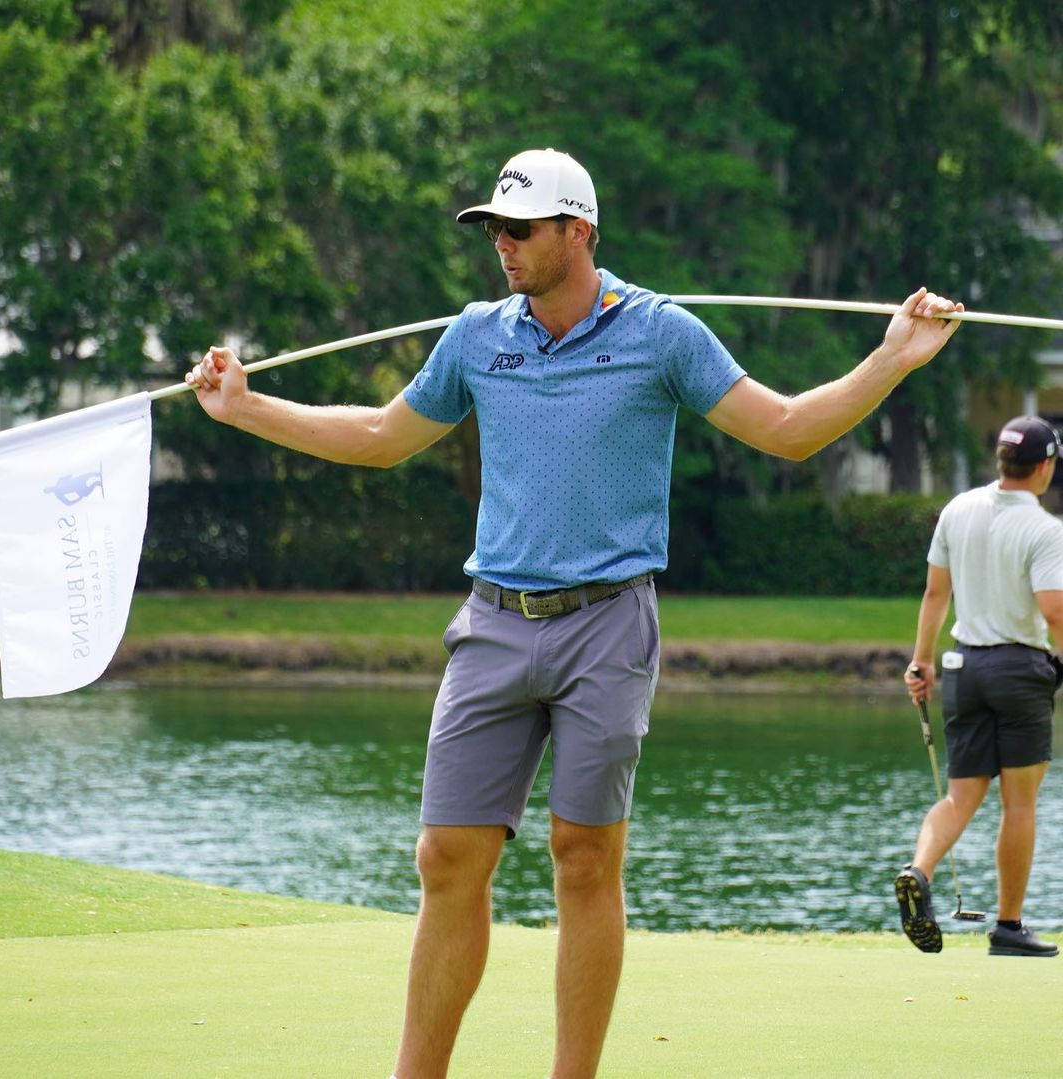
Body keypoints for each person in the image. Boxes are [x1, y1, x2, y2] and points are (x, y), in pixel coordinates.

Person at [185, 147, 962, 1079]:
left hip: (608, 625)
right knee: (444, 856)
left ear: (578, 231)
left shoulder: (661, 333)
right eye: (493, 230)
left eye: (520, 230)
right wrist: (245, 408)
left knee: (584, 856)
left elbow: (788, 429)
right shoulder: (477, 336)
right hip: (493, 621)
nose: (501, 246)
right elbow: (383, 436)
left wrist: (892, 356)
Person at [898, 415, 1063, 958]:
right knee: (1019, 803)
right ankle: (1008, 927)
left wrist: (922, 661)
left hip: (963, 668)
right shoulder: (1045, 529)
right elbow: (1054, 611)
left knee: (961, 795)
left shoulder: (958, 509)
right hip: (1020, 673)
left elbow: (934, 595)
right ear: (1044, 466)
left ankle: (919, 871)